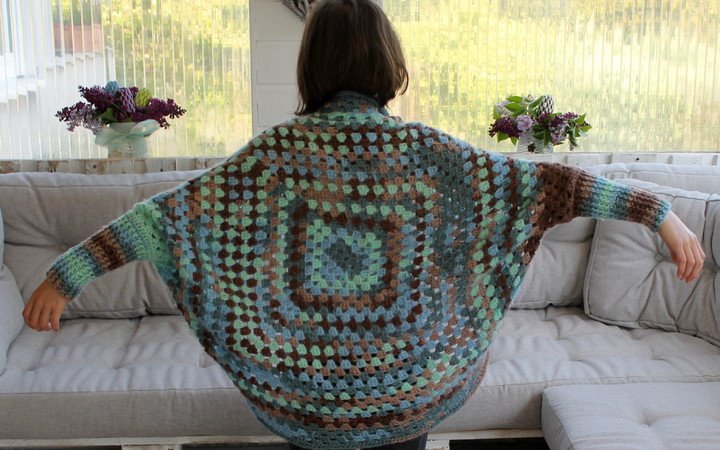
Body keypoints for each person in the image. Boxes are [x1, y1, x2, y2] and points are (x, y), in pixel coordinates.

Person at [23, 1, 704, 449]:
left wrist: (64, 278)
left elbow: (158, 222)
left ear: (309, 66)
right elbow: (561, 186)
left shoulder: (271, 160)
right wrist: (661, 215)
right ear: (391, 66)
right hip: (411, 392)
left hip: (303, 401)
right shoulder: (435, 158)